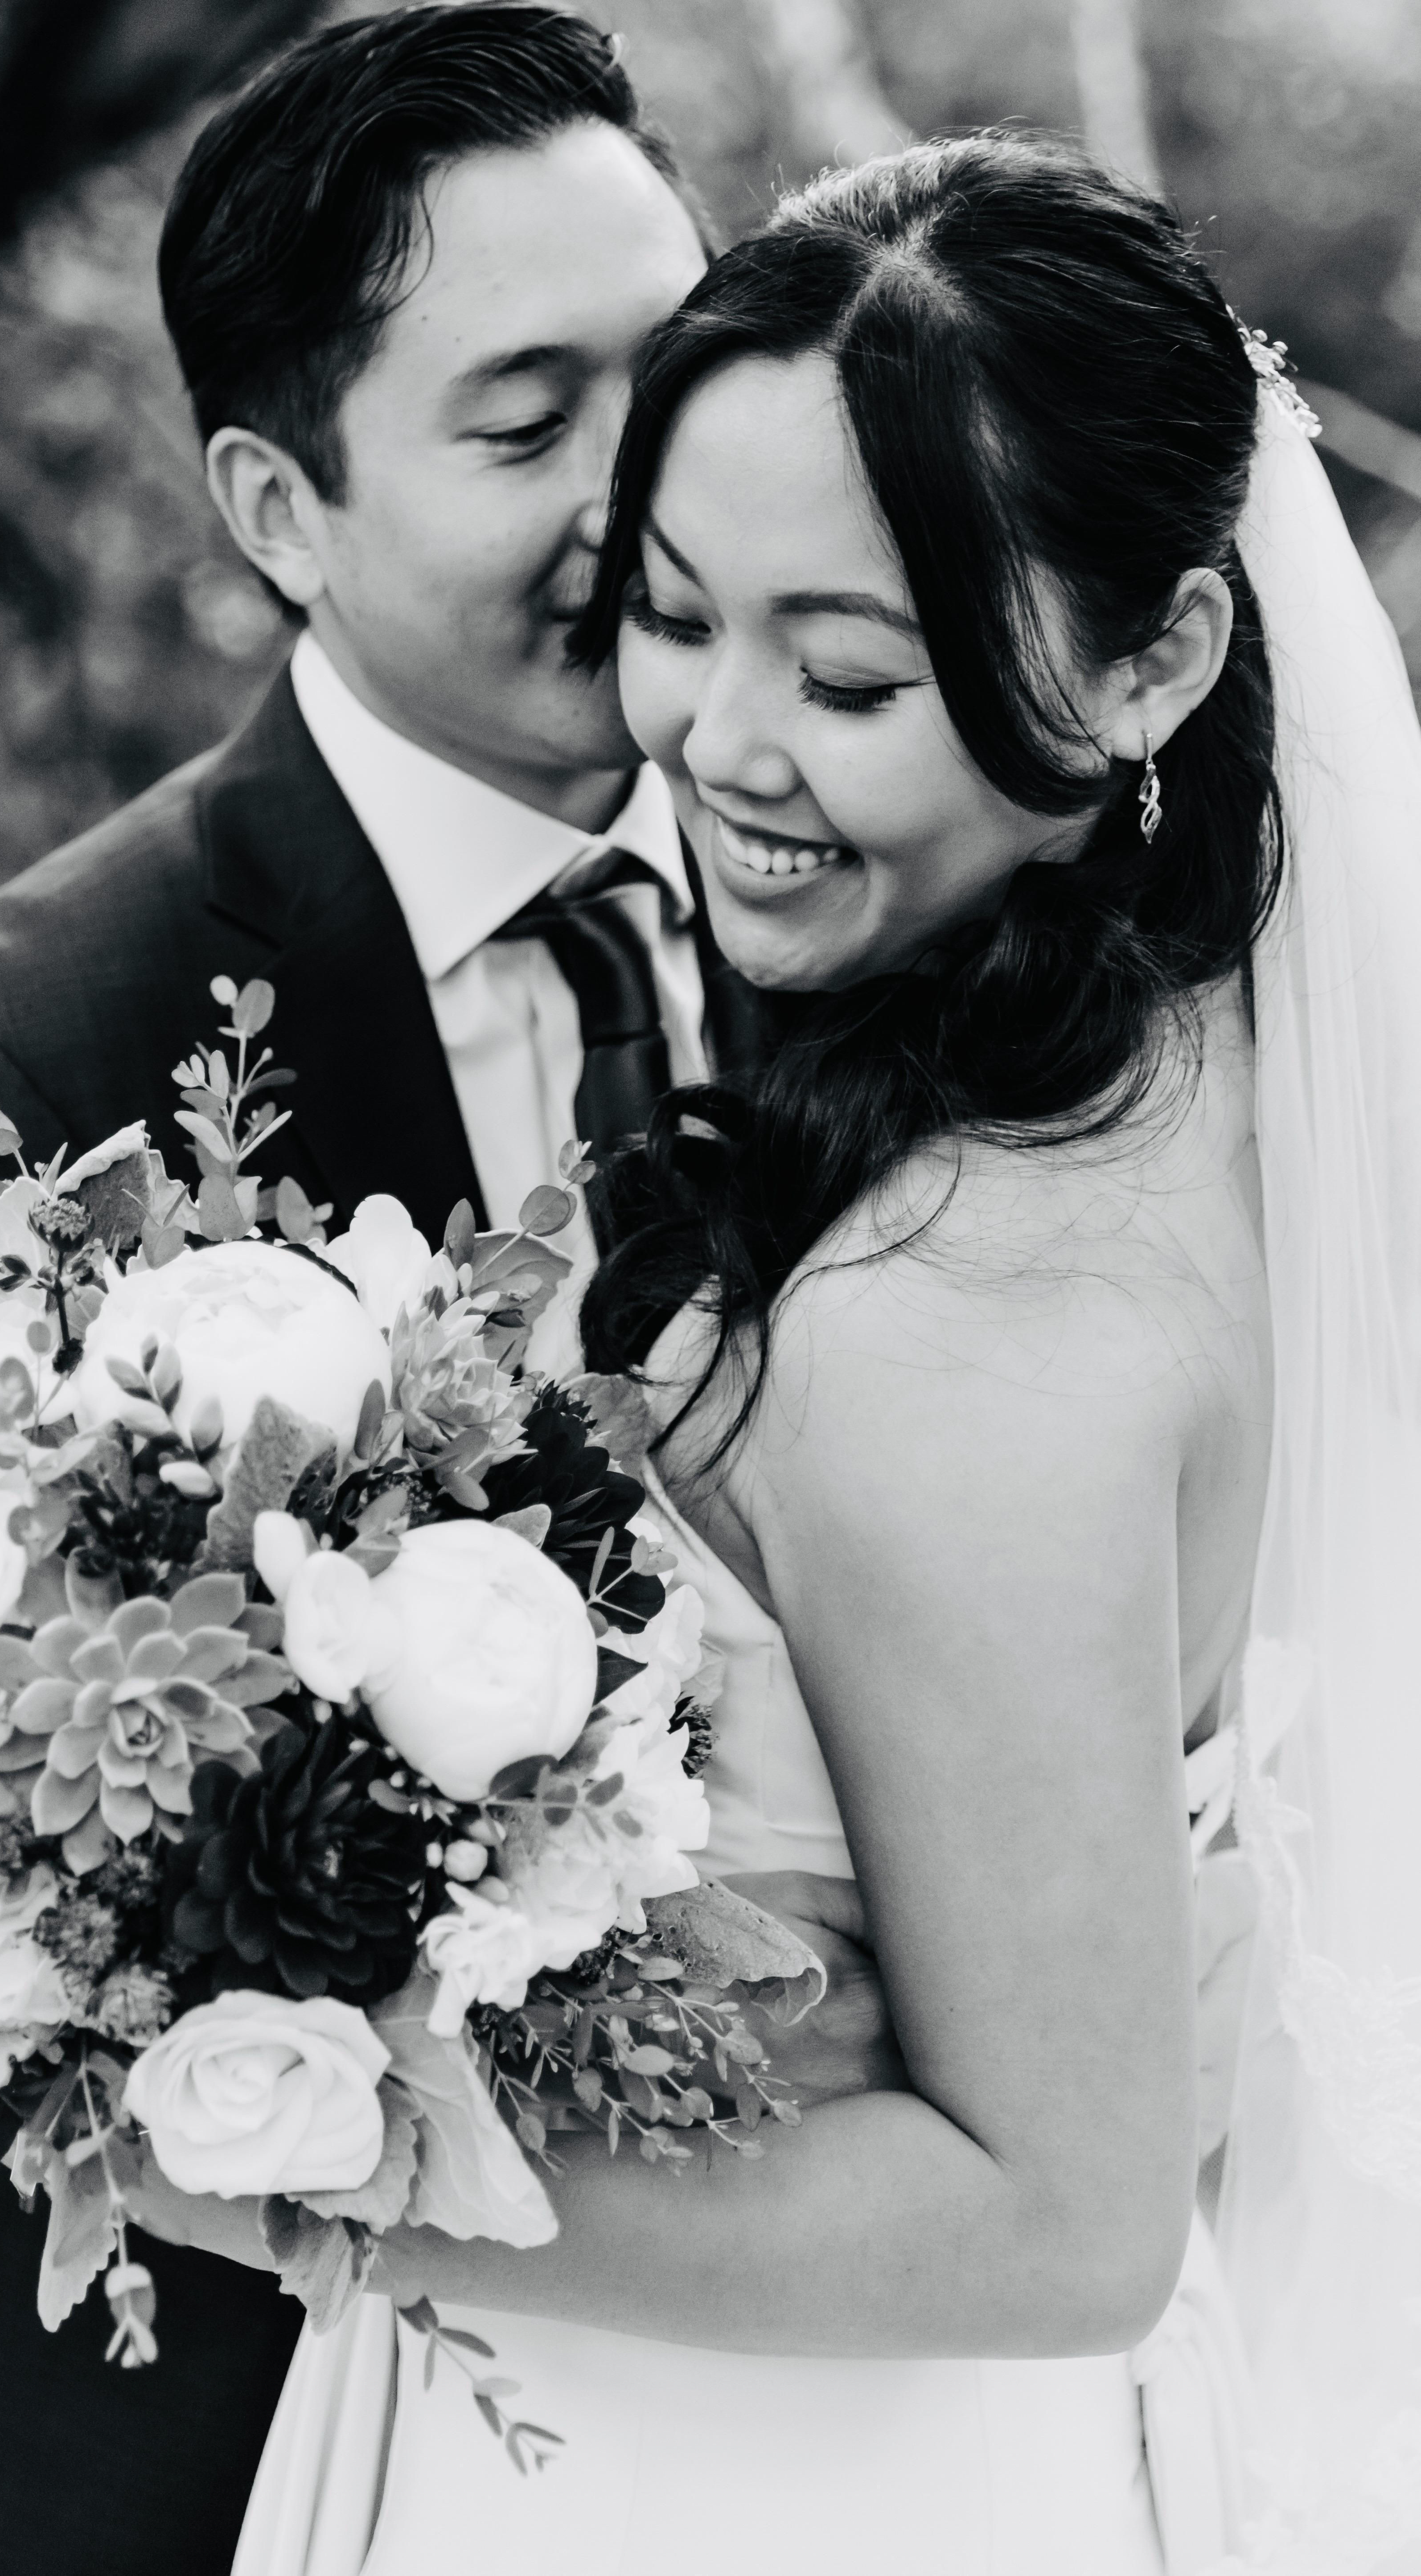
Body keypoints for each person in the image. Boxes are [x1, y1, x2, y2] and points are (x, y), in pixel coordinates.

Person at [226, 136, 1421, 2576]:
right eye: (676, 615)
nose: (721, 741)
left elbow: (1057, 2218)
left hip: (771, 2483)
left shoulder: (950, 1330)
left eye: (853, 674)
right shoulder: (1188, 1079)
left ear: (1158, 660)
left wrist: (259, 2137)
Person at [0, 16, 795, 2575]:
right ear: (279, 503)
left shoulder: (863, 893)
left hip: (740, 2392)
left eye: (677, 377)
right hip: (185, 2437)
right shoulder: (40, 1039)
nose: (642, 494)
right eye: (529, 420)